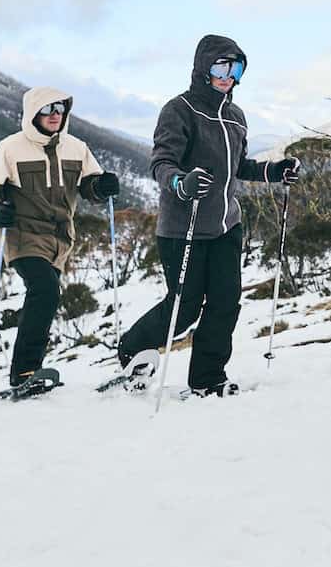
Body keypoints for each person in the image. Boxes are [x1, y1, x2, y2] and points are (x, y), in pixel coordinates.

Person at [116, 35, 299, 397]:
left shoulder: (236, 117)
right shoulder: (179, 110)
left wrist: (274, 172)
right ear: (203, 68)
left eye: (237, 68)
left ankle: (208, 378)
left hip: (225, 226)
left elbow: (239, 166)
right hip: (182, 228)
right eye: (221, 66)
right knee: (184, 309)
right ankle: (132, 347)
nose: (228, 75)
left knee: (225, 304)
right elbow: (161, 163)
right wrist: (181, 183)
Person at [0, 88, 118, 392]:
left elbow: (90, 187)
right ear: (33, 112)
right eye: (48, 109)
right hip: (24, 236)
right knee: (45, 291)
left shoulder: (77, 148)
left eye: (60, 109)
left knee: (47, 298)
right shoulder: (11, 148)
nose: (55, 115)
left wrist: (102, 187)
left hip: (62, 240)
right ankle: (24, 372)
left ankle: (31, 371)